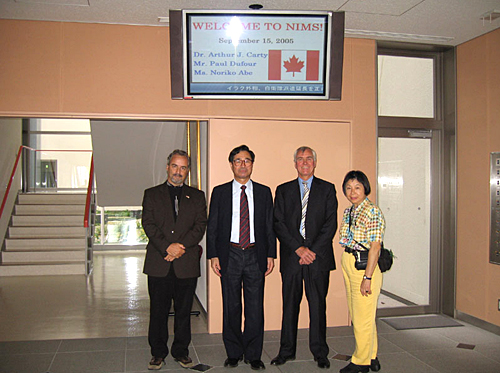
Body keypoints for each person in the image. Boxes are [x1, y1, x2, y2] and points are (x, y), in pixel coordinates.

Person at [207, 145, 276, 371]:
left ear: (252, 165)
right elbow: (213, 225)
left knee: (255, 307)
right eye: (238, 161)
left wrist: (270, 254)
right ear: (231, 165)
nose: (243, 164)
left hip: (256, 254)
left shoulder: (265, 192)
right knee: (231, 305)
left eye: (247, 161)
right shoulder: (220, 192)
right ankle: (234, 353)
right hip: (230, 254)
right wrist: (214, 255)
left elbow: (269, 226)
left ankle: (254, 354)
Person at [271, 146, 338, 369]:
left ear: (315, 163)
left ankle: (320, 352)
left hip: (318, 258)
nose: (305, 162)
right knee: (290, 305)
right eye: (300, 159)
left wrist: (312, 251)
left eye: (309, 159)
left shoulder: (328, 189)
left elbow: (330, 225)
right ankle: (286, 351)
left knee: (318, 306)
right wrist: (299, 249)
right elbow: (278, 224)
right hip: (292, 257)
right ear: (295, 164)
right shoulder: (283, 190)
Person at [142, 149, 207, 370]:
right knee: (158, 311)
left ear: (187, 170)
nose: (178, 171)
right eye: (175, 166)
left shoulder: (197, 196)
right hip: (159, 262)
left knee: (183, 311)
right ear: (167, 166)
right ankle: (157, 353)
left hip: (185, 263)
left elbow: (200, 227)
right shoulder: (151, 194)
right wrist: (167, 247)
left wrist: (180, 248)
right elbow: (148, 224)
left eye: (183, 167)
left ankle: (181, 351)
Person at [338, 170, 385, 373]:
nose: (352, 192)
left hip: (365, 267)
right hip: (349, 262)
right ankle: (371, 355)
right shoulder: (349, 211)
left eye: (357, 187)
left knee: (361, 317)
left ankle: (361, 362)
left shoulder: (372, 211)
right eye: (348, 188)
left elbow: (375, 247)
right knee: (361, 315)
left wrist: (368, 277)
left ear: (365, 188)